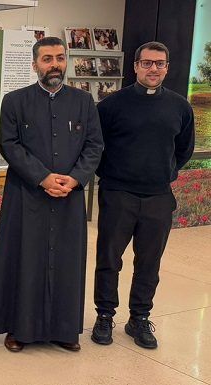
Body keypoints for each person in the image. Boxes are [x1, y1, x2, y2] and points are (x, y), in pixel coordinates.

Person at [0, 37, 103, 353]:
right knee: (23, 260)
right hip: (27, 195)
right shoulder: (14, 101)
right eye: (48, 58)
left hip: (69, 195)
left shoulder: (83, 102)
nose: (55, 64)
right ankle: (18, 329)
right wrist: (42, 178)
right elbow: (9, 144)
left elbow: (95, 146)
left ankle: (64, 330)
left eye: (60, 58)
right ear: (35, 64)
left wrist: (76, 179)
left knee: (67, 262)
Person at [91, 41, 195, 349]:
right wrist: (112, 177)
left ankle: (139, 318)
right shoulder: (110, 106)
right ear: (135, 66)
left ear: (167, 68)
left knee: (149, 263)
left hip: (158, 197)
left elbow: (184, 150)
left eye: (159, 64)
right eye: (147, 63)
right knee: (109, 259)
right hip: (117, 194)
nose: (153, 69)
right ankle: (105, 316)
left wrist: (162, 173)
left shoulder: (180, 107)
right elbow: (96, 147)